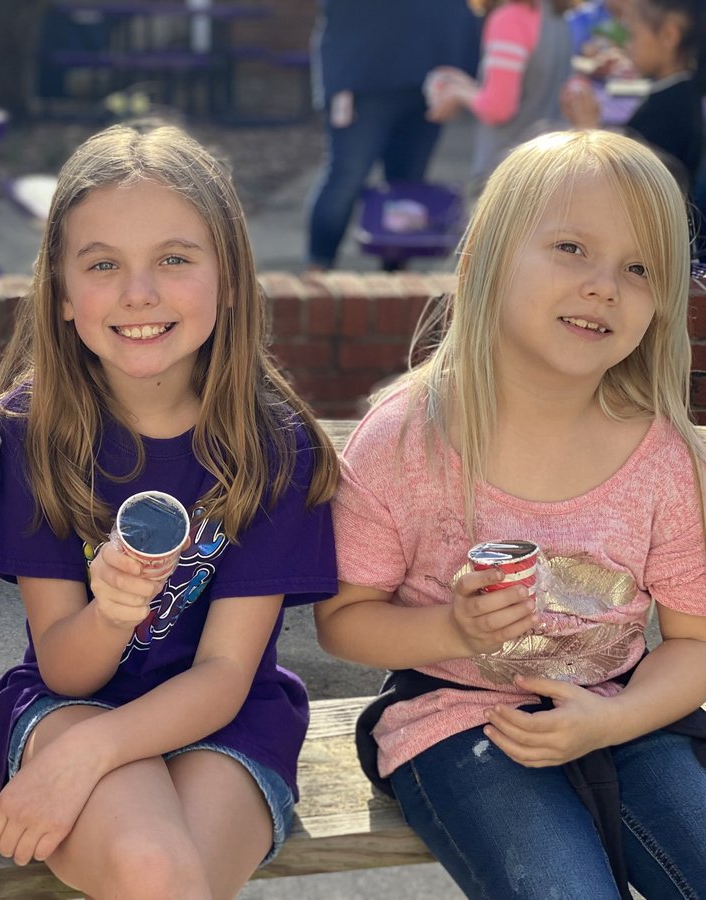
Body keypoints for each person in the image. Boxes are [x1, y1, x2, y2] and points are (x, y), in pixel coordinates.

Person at [315, 129, 706, 898]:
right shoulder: (405, 440)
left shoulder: (664, 459)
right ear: (481, 263)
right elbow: (343, 617)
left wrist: (611, 722)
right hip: (454, 723)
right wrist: (450, 631)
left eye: (639, 267)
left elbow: (693, 646)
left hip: (625, 713)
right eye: (571, 247)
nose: (605, 285)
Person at [0, 122, 340, 897]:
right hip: (68, 703)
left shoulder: (272, 444)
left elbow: (223, 673)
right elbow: (69, 668)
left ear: (230, 277)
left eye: (174, 259)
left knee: (169, 876)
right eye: (103, 265)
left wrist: (87, 758)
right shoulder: (32, 430)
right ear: (63, 296)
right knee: (154, 868)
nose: (139, 293)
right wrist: (111, 612)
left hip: (227, 721)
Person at [304, 0, 482, 270]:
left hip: (431, 80)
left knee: (407, 188)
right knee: (345, 177)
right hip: (363, 77)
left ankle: (394, 282)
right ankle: (315, 276)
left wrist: (463, 74)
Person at [562, 0, 706, 194]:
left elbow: (633, 195)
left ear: (669, 35)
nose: (627, 46)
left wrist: (590, 130)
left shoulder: (672, 113)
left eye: (633, 35)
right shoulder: (677, 96)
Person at [426, 0, 577, 184]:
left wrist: (457, 93)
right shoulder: (557, 16)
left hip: (506, 171)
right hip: (550, 164)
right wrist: (467, 87)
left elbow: (498, 108)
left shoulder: (510, 20)